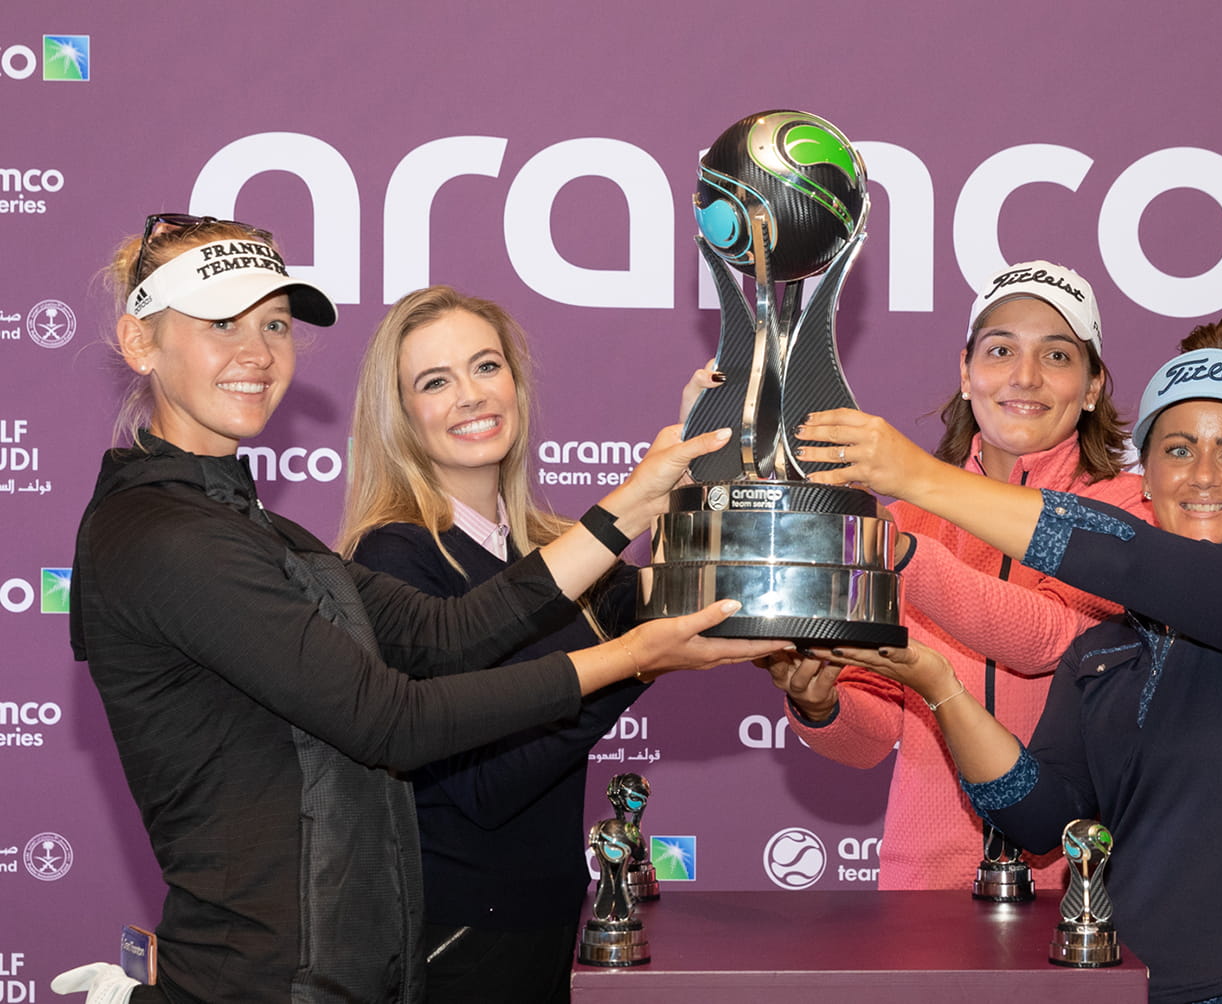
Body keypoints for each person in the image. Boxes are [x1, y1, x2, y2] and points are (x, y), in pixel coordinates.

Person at [59, 215, 781, 1004]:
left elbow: (445, 635)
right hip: (260, 985)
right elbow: (392, 720)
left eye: (275, 323)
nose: (257, 353)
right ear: (139, 342)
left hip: (349, 976)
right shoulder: (163, 535)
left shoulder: (257, 529)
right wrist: (635, 656)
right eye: (221, 322)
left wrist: (644, 496)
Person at [789, 319, 1222, 1003]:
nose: (1206, 476)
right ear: (1146, 480)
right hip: (1131, 989)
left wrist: (916, 479)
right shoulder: (1101, 651)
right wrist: (940, 686)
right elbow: (1042, 819)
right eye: (1180, 450)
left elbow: (1128, 555)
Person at [764, 261, 1149, 890]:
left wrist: (907, 553)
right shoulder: (907, 520)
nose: (1025, 377)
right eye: (1001, 351)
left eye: (1057, 355)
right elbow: (873, 737)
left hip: (1077, 890)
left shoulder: (1126, 506)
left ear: (1092, 387)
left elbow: (1046, 638)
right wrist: (820, 702)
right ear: (965, 373)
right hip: (923, 888)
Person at [335, 285, 644, 1002]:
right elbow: (482, 786)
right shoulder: (391, 559)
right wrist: (640, 661)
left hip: (549, 925)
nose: (471, 396)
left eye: (486, 367)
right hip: (460, 938)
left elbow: (671, 598)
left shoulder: (548, 548)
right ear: (402, 415)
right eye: (435, 382)